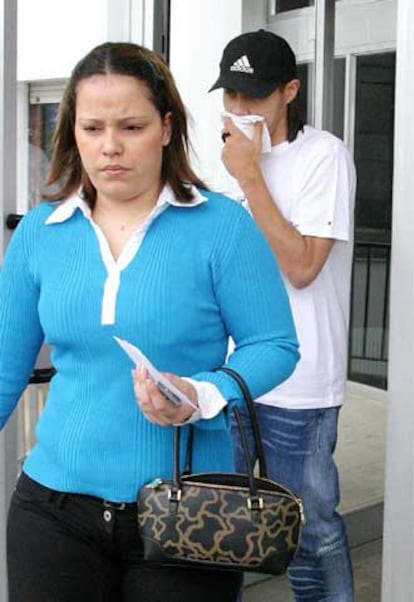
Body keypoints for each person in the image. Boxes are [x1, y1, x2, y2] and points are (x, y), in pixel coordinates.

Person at [0, 41, 300, 602]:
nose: (110, 147)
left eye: (131, 126)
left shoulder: (222, 226)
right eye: (92, 128)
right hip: (53, 511)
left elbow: (275, 344)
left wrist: (202, 393)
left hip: (189, 510)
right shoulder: (41, 232)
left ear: (166, 128)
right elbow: (2, 370)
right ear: (73, 134)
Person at [209, 29, 356, 601]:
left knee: (311, 531)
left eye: (256, 96)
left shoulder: (325, 156)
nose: (241, 110)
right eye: (232, 96)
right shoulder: (221, 161)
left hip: (302, 383)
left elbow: (301, 267)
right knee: (225, 524)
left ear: (290, 91)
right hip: (237, 376)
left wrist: (249, 175)